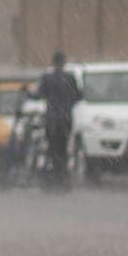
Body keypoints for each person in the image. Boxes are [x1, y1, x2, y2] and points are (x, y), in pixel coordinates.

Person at [34, 51, 81, 191]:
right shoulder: (70, 78)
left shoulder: (47, 78)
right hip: (66, 119)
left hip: (52, 119)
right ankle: (63, 175)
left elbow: (39, 94)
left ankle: (54, 174)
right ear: (64, 62)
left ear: (53, 62)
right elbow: (79, 95)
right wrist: (68, 103)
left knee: (52, 147)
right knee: (63, 147)